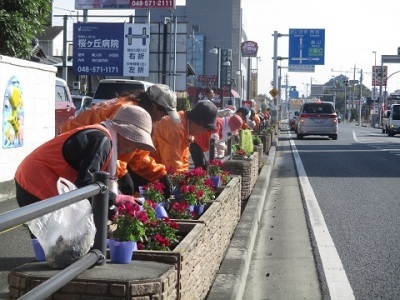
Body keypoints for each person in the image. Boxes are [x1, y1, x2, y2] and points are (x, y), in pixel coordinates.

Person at [15, 105, 155, 218]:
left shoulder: (105, 138)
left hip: (35, 176)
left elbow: (91, 185)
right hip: (36, 179)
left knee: (57, 238)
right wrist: (116, 199)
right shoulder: (102, 140)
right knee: (54, 237)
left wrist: (110, 205)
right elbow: (86, 185)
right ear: (125, 134)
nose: (136, 148)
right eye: (137, 142)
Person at [60, 84, 179, 197]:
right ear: (154, 106)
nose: (162, 118)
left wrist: (160, 174)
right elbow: (115, 144)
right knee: (87, 190)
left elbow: (138, 156)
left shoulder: (139, 112)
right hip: (72, 146)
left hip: (91, 150)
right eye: (164, 113)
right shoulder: (127, 110)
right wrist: (122, 174)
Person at [150, 101, 218, 173]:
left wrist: (185, 177)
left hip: (158, 171)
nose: (204, 132)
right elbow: (172, 163)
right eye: (205, 128)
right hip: (148, 172)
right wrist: (181, 180)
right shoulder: (175, 126)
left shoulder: (186, 127)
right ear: (196, 122)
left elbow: (183, 160)